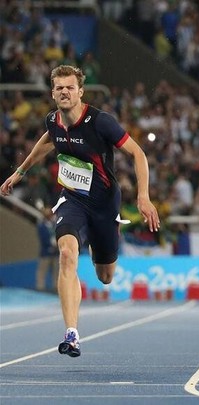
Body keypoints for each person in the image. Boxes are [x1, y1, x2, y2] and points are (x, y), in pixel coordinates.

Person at [0, 65, 160, 358]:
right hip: (73, 201)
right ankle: (71, 333)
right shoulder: (53, 121)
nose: (64, 92)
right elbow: (47, 141)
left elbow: (138, 153)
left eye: (70, 87)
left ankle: (103, 239)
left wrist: (144, 197)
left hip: (104, 205)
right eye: (59, 88)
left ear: (80, 92)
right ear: (52, 93)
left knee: (105, 276)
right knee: (66, 254)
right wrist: (20, 172)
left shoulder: (100, 122)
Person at [36, 206, 59, 292]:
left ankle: (56, 287)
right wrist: (51, 245)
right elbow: (43, 239)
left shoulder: (54, 224)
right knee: (42, 271)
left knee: (56, 271)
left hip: (56, 252)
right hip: (46, 252)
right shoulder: (41, 226)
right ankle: (40, 287)